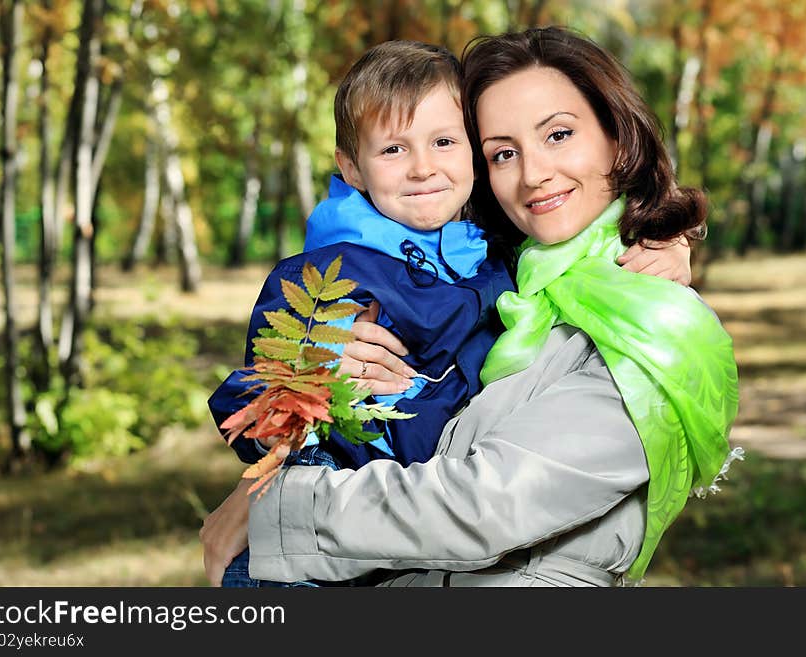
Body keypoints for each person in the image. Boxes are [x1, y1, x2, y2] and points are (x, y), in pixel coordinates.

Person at [201, 28, 724, 587]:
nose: (532, 173)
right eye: (504, 151)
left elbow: (485, 506)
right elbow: (272, 393)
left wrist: (277, 511)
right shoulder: (520, 278)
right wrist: (301, 399)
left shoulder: (645, 319)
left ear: (618, 139)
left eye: (559, 134)